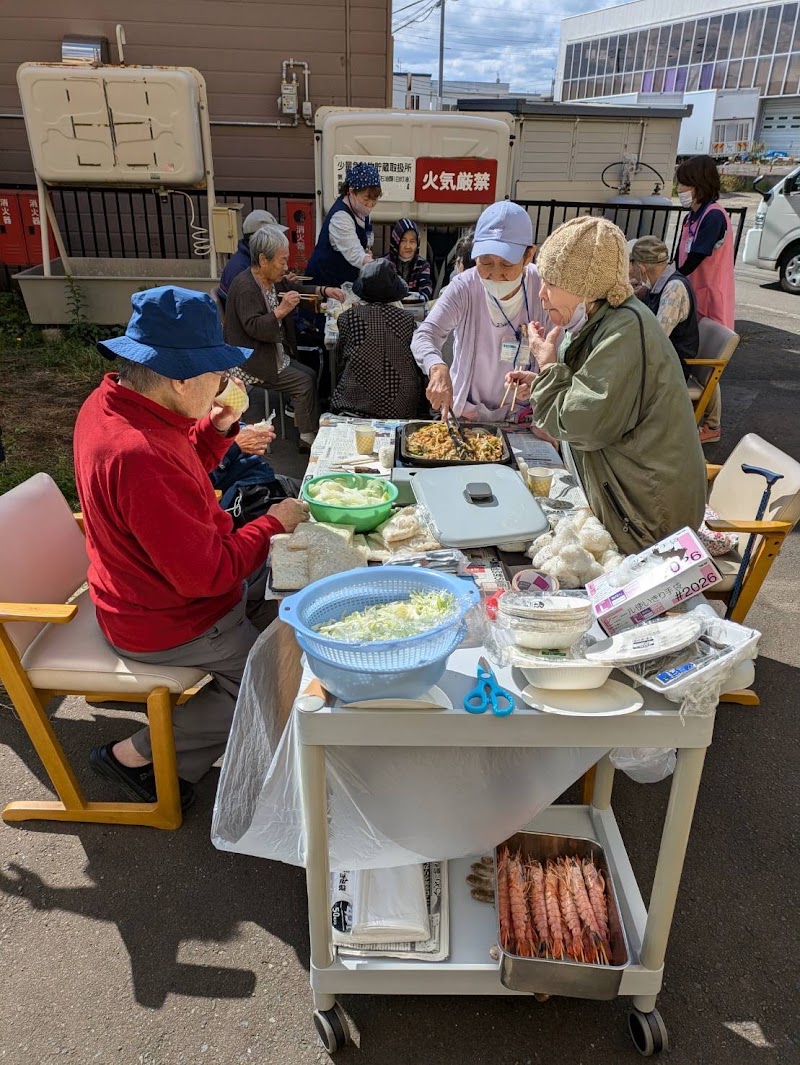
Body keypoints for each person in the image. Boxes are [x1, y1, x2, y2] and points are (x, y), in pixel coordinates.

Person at [74, 286, 307, 808]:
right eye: (216, 372)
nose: (225, 383)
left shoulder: (116, 400)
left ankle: (201, 729)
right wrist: (271, 524)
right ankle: (134, 755)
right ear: (181, 380)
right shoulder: (139, 453)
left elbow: (175, 476)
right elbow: (203, 575)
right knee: (273, 683)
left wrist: (213, 429)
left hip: (147, 580)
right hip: (162, 615)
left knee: (283, 583)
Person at [505, 216, 705, 556]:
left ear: (585, 286)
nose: (541, 293)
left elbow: (581, 424)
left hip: (645, 519)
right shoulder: (603, 320)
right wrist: (542, 383)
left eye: (551, 283)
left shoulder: (624, 331)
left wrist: (548, 366)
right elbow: (589, 394)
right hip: (624, 495)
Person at [411, 201, 551, 422]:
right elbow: (425, 335)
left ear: (528, 255)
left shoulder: (542, 287)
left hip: (522, 415)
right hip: (468, 413)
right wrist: (436, 367)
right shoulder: (464, 286)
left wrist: (539, 382)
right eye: (485, 261)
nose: (495, 275)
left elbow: (556, 358)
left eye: (506, 264)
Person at [223, 225, 321, 449]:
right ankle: (307, 439)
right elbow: (253, 327)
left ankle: (306, 424)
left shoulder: (270, 278)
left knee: (311, 373)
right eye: (282, 261)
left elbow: (294, 286)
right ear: (263, 260)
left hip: (271, 353)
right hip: (252, 362)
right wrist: (281, 311)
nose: (286, 267)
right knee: (304, 382)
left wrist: (323, 290)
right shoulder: (246, 286)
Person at [675, 155, 735, 444]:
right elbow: (681, 254)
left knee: (708, 365)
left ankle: (712, 424)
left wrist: (670, 279)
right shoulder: (694, 215)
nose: (680, 189)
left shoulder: (713, 215)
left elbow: (696, 256)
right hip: (692, 294)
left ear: (698, 184)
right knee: (699, 358)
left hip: (709, 295)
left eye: (685, 183)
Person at [330, 259, 422, 419]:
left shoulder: (348, 318)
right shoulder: (407, 320)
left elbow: (340, 361)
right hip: (401, 407)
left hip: (355, 404)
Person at [628, 235, 700, 374]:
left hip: (671, 370)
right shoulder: (656, 285)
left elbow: (656, 337)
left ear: (642, 268)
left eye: (633, 264)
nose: (633, 273)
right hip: (659, 360)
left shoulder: (674, 289)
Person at [306, 162, 382, 287]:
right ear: (351, 192)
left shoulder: (361, 210)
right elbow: (355, 254)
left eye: (375, 199)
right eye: (366, 199)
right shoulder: (340, 217)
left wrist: (367, 254)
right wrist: (376, 267)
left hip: (344, 282)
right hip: (324, 282)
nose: (370, 205)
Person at [218, 210, 288, 305]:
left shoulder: (248, 259)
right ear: (257, 239)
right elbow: (251, 313)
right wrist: (282, 310)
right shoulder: (241, 270)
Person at [383, 218, 433, 301]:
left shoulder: (422, 265)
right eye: (403, 241)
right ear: (396, 241)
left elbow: (426, 291)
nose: (408, 246)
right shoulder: (384, 264)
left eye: (412, 241)